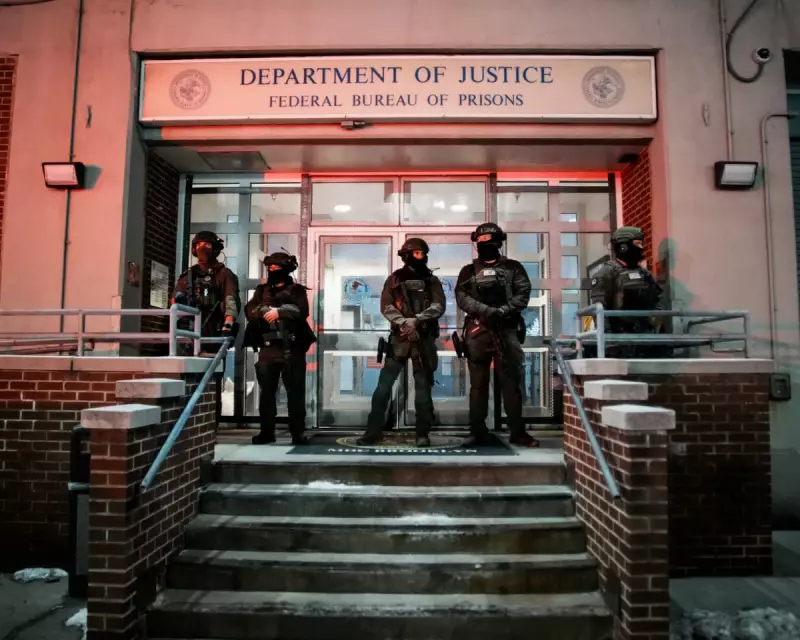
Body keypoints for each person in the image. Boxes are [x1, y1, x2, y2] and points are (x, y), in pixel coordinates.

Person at [455, 222, 538, 448]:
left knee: (511, 385)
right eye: (480, 241)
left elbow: (523, 293)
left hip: (507, 329)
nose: (485, 244)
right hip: (478, 331)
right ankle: (477, 431)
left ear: (499, 242)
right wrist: (486, 311)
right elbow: (462, 297)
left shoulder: (513, 268)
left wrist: (502, 311)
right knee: (478, 386)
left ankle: (517, 432)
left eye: (489, 240)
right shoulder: (468, 271)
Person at [357, 238, 445, 448]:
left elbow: (438, 306)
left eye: (422, 253)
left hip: (422, 340)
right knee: (383, 388)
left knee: (423, 390)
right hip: (400, 340)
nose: (420, 257)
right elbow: (386, 306)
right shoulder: (394, 279)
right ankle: (373, 431)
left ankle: (422, 434)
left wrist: (416, 320)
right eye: (416, 253)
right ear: (406, 255)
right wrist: (406, 322)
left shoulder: (431, 280)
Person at [244, 251, 315, 445]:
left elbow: (302, 311)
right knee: (266, 394)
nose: (272, 270)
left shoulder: (297, 290)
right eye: (270, 267)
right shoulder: (262, 291)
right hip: (269, 349)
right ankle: (267, 433)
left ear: (287, 269)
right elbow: (249, 310)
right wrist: (262, 310)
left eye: (277, 267)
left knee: (295, 394)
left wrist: (280, 312)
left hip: (292, 348)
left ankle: (297, 433)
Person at [589, 226, 666, 357]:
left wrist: (656, 317)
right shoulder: (606, 273)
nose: (641, 247)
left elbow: (658, 298)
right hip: (619, 340)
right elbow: (599, 310)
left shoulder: (645, 274)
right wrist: (608, 342)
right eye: (637, 244)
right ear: (623, 247)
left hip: (645, 339)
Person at [172, 231, 240, 355]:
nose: (202, 249)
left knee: (211, 366)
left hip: (214, 331)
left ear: (215, 249)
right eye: (198, 245)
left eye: (206, 245)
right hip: (189, 333)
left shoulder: (224, 274)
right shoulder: (188, 276)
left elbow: (231, 302)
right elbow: (174, 303)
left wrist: (227, 326)